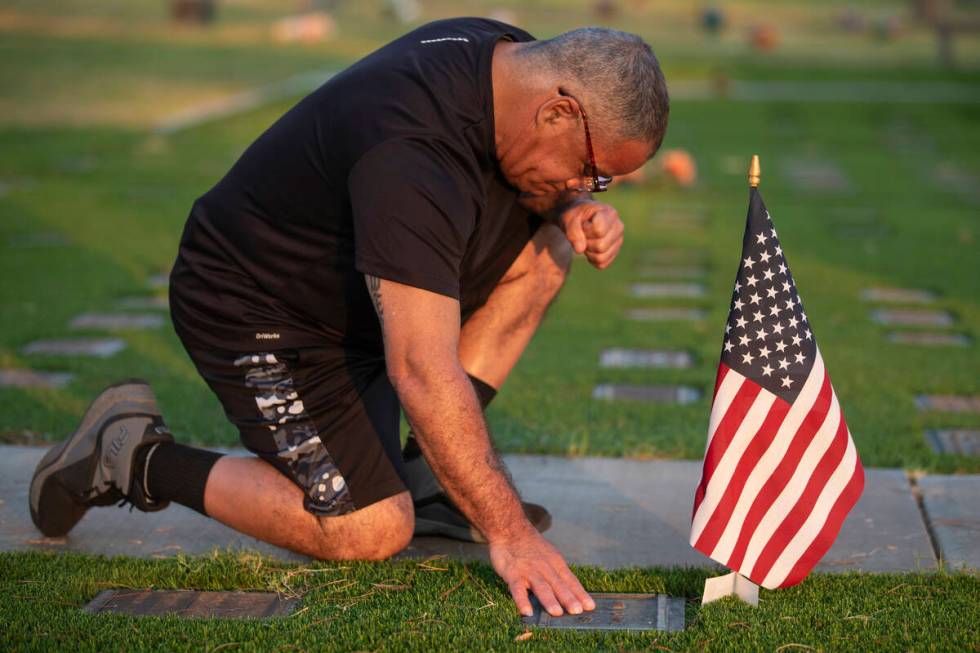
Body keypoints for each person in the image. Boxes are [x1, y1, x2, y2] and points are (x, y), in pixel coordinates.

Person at [29, 17, 669, 618]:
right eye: (592, 171)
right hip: (258, 307)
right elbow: (420, 367)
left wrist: (570, 210)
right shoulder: (410, 151)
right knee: (369, 527)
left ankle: (430, 479)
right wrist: (511, 534)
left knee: (550, 244)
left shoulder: (507, 61)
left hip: (356, 291)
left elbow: (516, 191)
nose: (585, 184)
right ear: (557, 110)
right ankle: (130, 454)